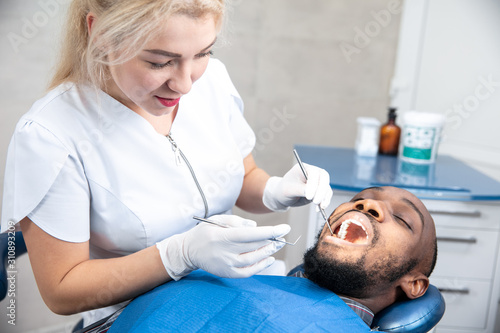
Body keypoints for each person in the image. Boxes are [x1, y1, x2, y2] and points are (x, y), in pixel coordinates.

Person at [0, 0, 332, 327]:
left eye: (203, 53)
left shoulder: (212, 80)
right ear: (99, 34)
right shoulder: (51, 135)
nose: (186, 84)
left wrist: (275, 191)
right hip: (141, 318)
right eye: (160, 62)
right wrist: (178, 254)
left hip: (234, 297)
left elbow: (243, 178)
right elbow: (62, 291)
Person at [77, 186, 438, 332]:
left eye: (403, 219)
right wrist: (180, 255)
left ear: (415, 282)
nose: (366, 204)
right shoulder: (231, 272)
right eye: (359, 198)